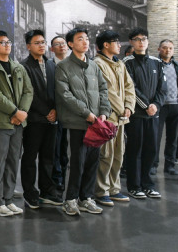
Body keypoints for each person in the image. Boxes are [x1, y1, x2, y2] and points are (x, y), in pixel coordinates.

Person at [55, 27, 111, 216]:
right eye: (80, 39)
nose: (85, 42)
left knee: (92, 162)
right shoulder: (63, 66)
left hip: (96, 123)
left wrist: (104, 112)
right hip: (77, 122)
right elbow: (65, 95)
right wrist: (86, 113)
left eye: (86, 38)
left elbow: (103, 90)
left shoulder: (93, 65)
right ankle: (70, 199)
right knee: (77, 162)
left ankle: (86, 198)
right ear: (70, 44)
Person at [0, 30, 33, 217]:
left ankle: (8, 200)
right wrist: (15, 112)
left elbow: (28, 91)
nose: (7, 45)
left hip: (17, 124)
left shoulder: (18, 67)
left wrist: (22, 113)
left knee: (12, 162)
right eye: (2, 42)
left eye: (8, 42)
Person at [21, 29, 62, 209]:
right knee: (30, 157)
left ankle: (47, 191)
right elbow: (28, 93)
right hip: (34, 119)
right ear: (28, 46)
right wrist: (46, 111)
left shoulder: (51, 65)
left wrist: (55, 110)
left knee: (48, 157)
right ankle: (30, 193)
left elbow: (58, 90)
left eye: (43, 42)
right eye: (37, 43)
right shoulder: (24, 66)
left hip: (52, 119)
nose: (41, 45)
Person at [93, 30, 135, 206]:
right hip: (108, 118)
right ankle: (101, 190)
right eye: (116, 42)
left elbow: (129, 86)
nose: (119, 45)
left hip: (121, 118)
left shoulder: (119, 64)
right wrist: (122, 109)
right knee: (106, 156)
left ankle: (114, 188)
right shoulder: (98, 64)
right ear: (105, 45)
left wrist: (129, 106)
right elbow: (108, 91)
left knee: (119, 155)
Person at [122, 28, 164, 199]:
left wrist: (156, 105)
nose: (141, 42)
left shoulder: (156, 62)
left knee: (151, 149)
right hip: (137, 115)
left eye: (144, 39)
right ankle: (134, 186)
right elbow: (131, 88)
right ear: (131, 42)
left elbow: (162, 88)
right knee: (135, 150)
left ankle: (148, 184)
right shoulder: (127, 62)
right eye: (137, 39)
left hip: (153, 114)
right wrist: (146, 105)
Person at [157, 39, 178, 175]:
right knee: (156, 137)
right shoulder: (154, 64)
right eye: (164, 47)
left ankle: (170, 165)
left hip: (176, 105)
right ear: (159, 49)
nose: (167, 50)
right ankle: (153, 165)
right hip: (160, 106)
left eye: (170, 48)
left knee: (173, 138)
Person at [50, 35, 70, 190]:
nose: (61, 46)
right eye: (57, 44)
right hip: (56, 113)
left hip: (74, 114)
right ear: (52, 49)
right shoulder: (49, 65)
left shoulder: (74, 64)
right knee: (56, 148)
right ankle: (57, 180)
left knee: (68, 149)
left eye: (63, 43)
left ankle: (67, 178)